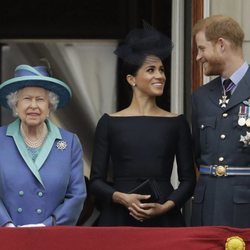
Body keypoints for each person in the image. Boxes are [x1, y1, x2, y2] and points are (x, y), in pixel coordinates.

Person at [90, 23, 196, 226]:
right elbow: (95, 181)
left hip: (165, 217)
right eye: (151, 70)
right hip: (118, 217)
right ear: (132, 79)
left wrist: (166, 206)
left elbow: (189, 180)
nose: (160, 76)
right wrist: (122, 198)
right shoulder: (109, 122)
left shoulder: (177, 123)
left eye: (162, 70)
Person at [0, 64, 86, 227]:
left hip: (51, 237)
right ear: (16, 105)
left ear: (50, 106)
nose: (33, 105)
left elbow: (77, 195)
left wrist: (48, 225)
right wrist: (6, 225)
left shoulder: (69, 143)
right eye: (27, 99)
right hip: (6, 236)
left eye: (40, 99)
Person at [191, 15, 250, 228]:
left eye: (202, 48)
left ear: (221, 44)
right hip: (206, 208)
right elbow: (198, 154)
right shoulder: (200, 97)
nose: (198, 57)